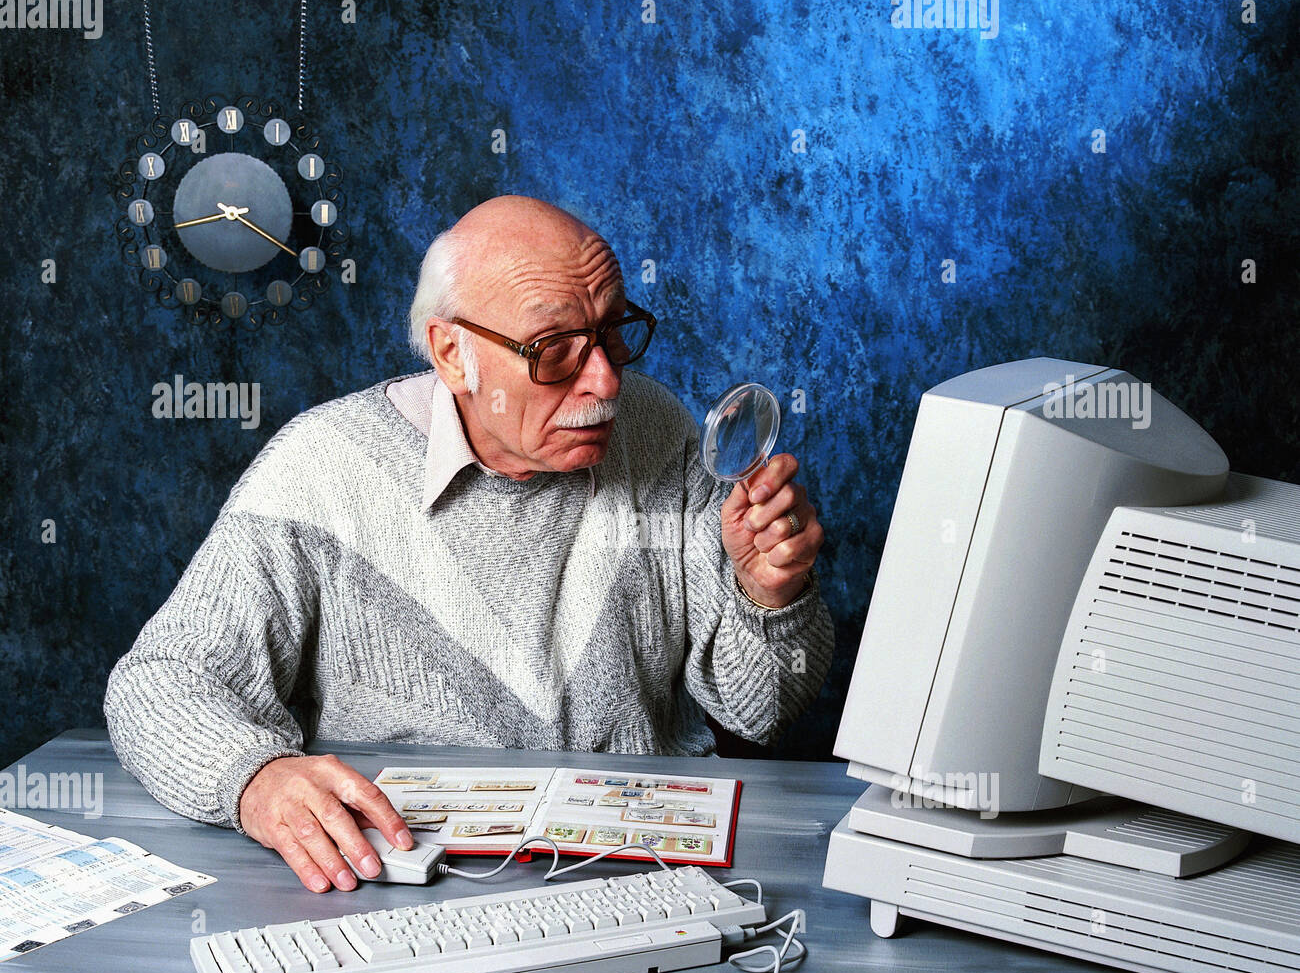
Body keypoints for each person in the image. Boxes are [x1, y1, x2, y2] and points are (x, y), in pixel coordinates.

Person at [104, 195, 833, 892]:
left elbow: (763, 708)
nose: (607, 379)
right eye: (554, 350)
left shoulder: (658, 432)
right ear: (452, 355)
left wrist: (769, 595)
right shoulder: (320, 470)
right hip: (397, 882)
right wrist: (254, 778)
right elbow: (160, 681)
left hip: (642, 870)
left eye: (614, 332)